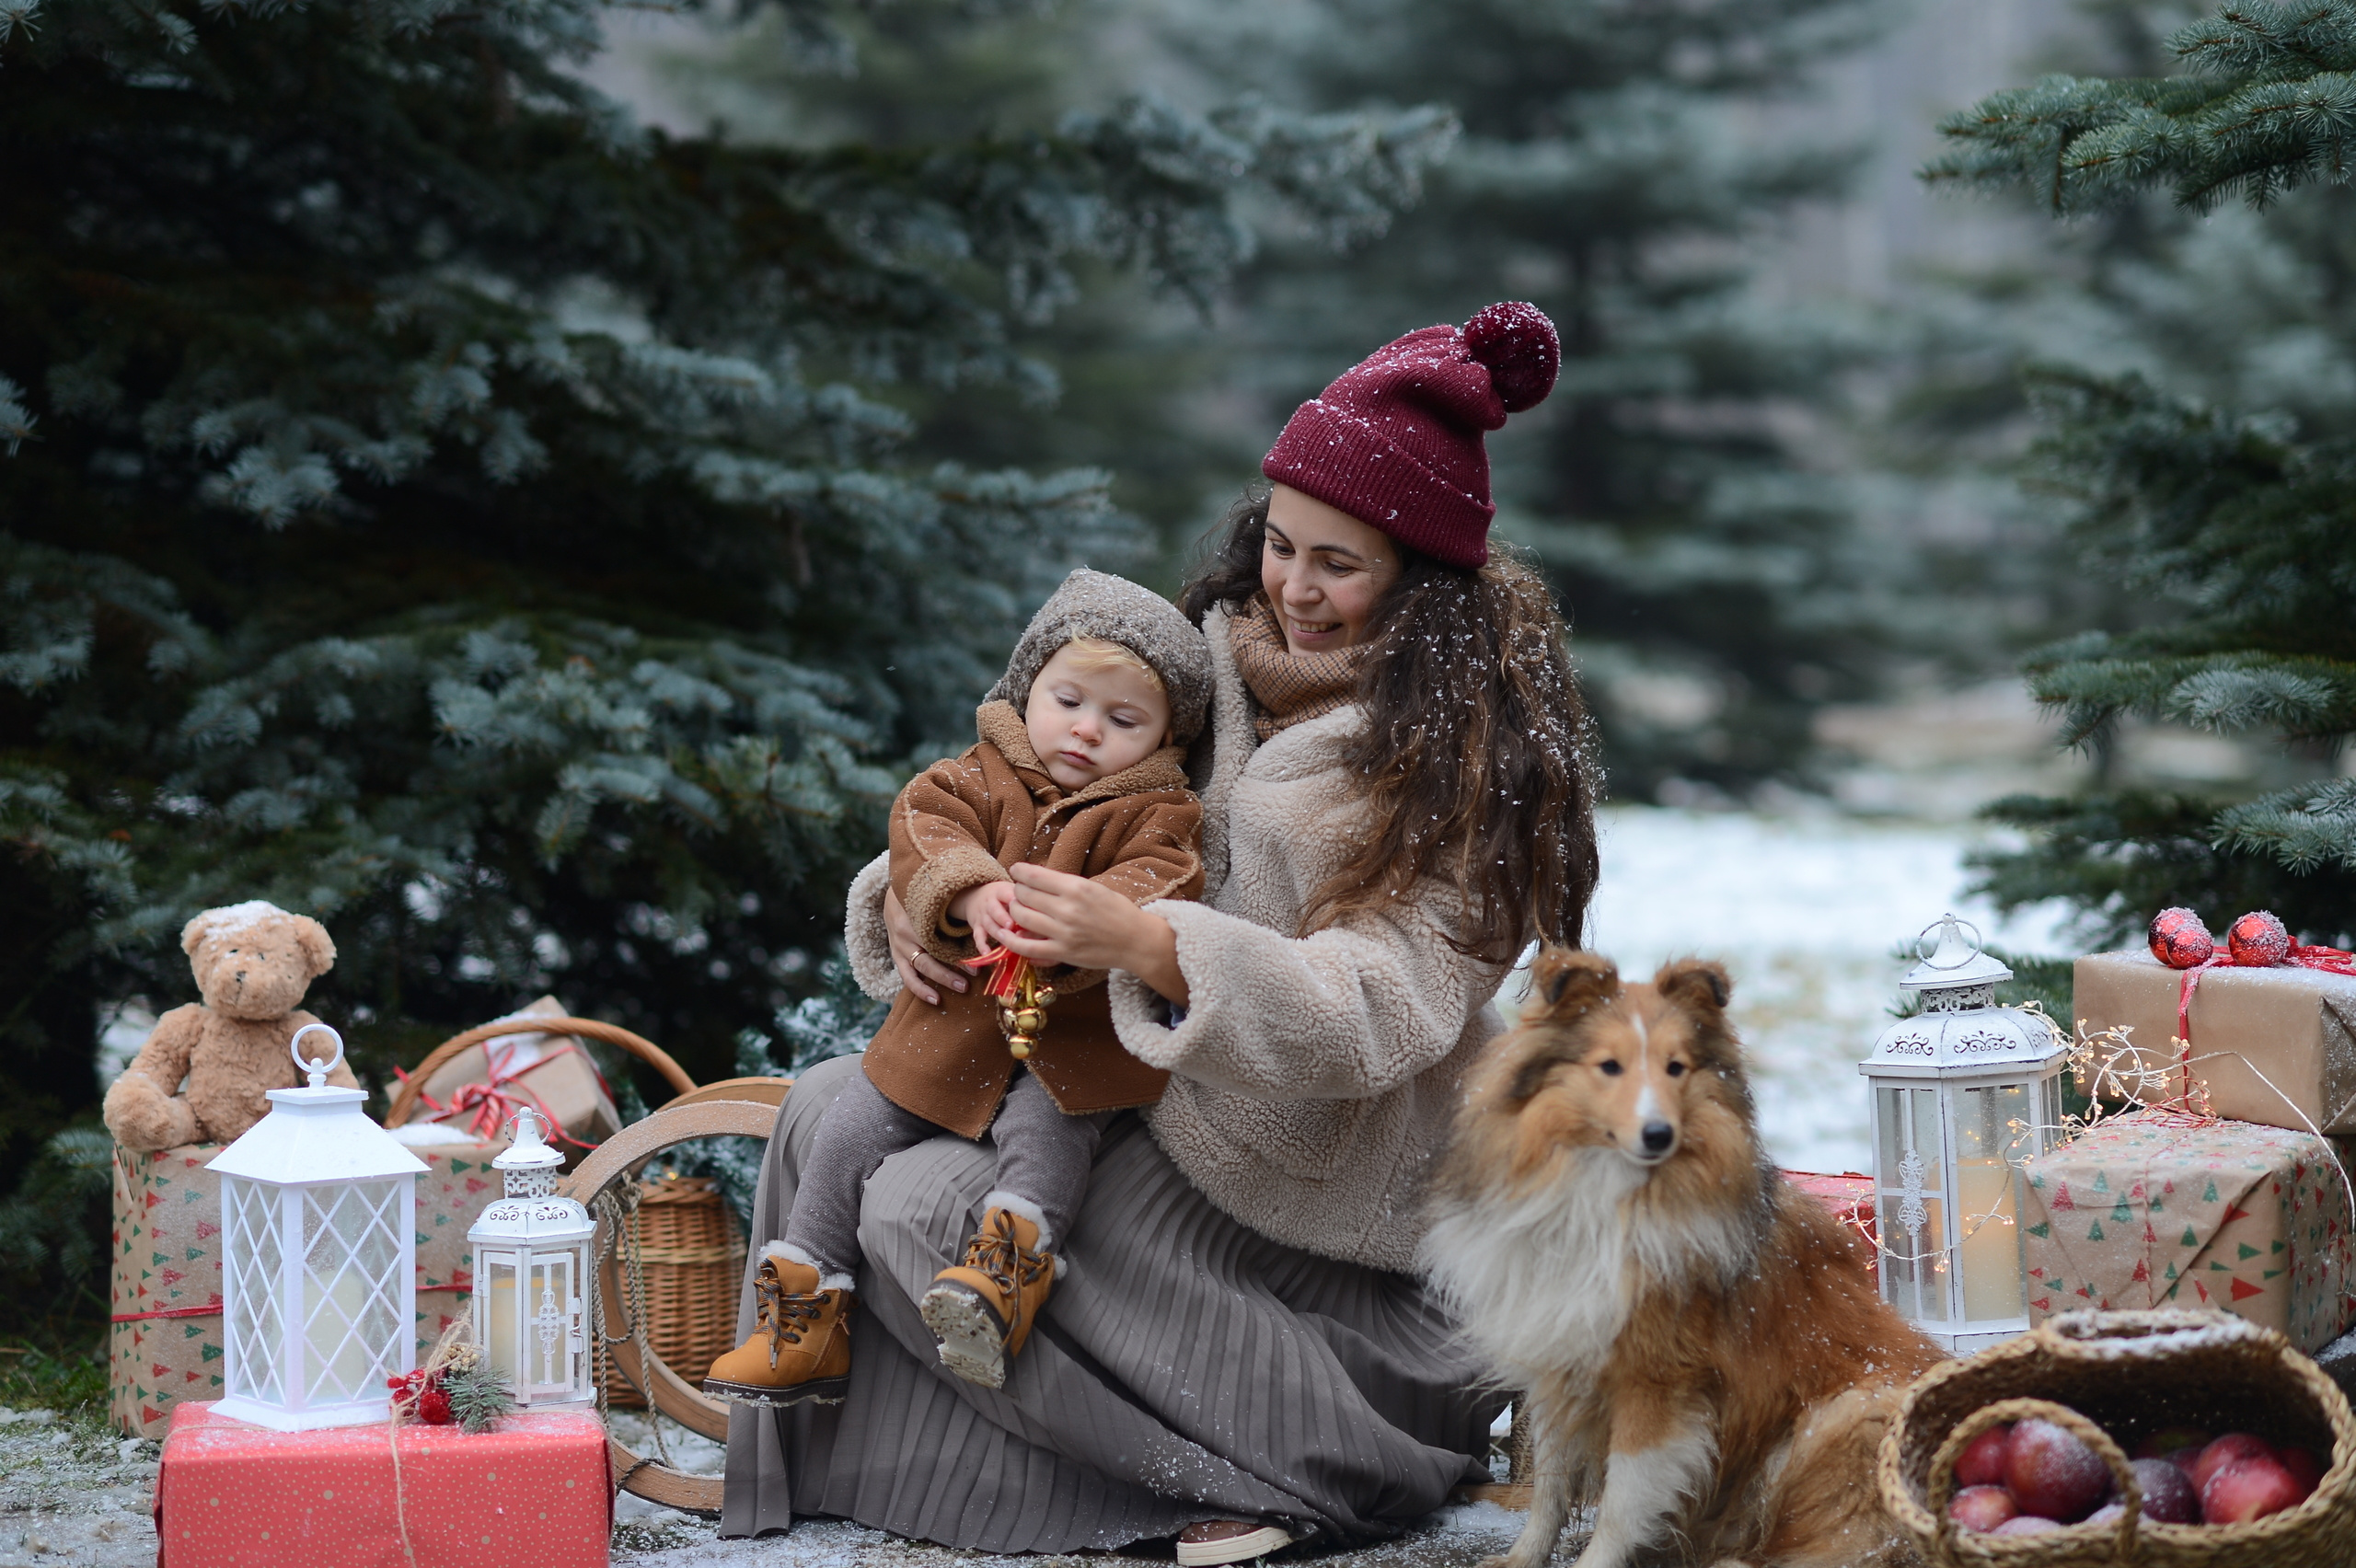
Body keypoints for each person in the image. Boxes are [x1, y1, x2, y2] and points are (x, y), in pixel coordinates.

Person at [722, 300, 1600, 1568]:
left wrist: (1152, 946)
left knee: (923, 1210)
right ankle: (877, 1452)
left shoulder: (1466, 764)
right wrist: (928, 905)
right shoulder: (1202, 669)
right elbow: (1032, 792)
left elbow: (1388, 1003)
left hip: (1296, 1178)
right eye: (1281, 546)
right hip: (1122, 1090)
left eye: (1339, 564)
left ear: (1425, 581)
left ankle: (1296, 1461)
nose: (1295, 589)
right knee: (824, 1111)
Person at [704, 569, 1210, 1403]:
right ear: (1026, 688)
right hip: (951, 1027)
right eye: (1068, 700)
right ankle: (808, 1313)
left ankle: (1006, 1279)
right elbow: (921, 827)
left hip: (1070, 1041)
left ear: (1165, 740)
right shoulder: (974, 774)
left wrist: (1096, 919)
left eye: (1123, 721)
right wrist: (967, 888)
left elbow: (1168, 882)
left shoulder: (1160, 813)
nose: (1085, 732)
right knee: (850, 1125)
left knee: (1051, 1137)